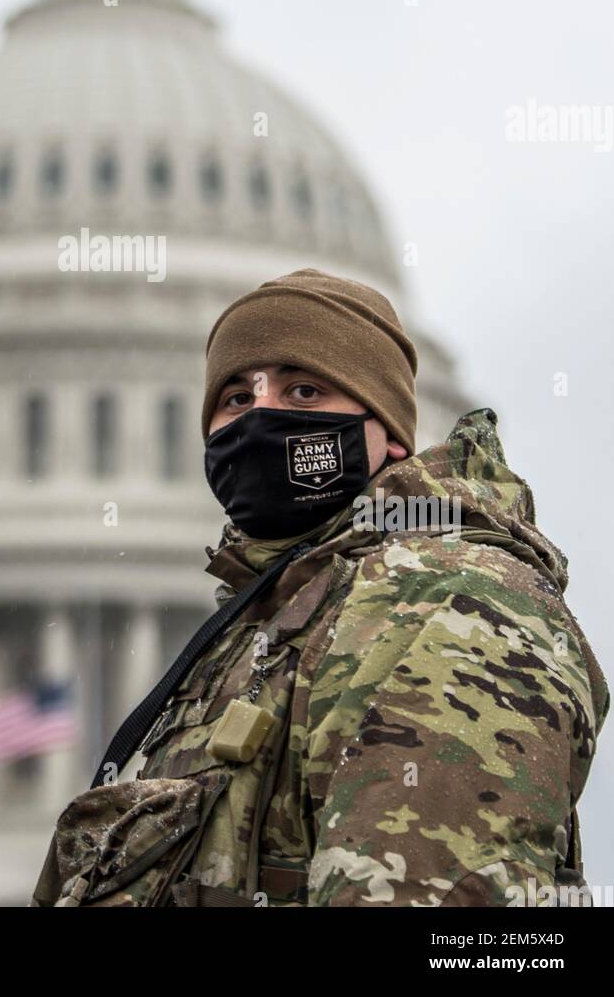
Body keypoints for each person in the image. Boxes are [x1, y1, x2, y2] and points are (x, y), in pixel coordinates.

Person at [31, 268, 609, 907]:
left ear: (389, 434)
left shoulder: (452, 603)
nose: (261, 419)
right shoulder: (265, 624)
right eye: (236, 399)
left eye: (303, 391)